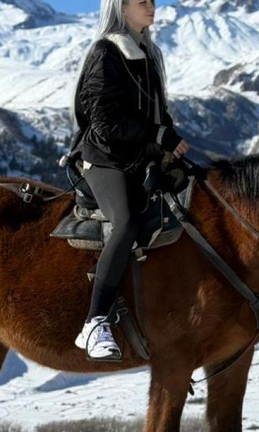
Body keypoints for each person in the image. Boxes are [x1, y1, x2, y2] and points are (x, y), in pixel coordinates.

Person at [72, 0, 190, 361]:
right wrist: (160, 136)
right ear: (119, 8)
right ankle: (94, 323)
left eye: (153, 0)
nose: (152, 6)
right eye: (142, 2)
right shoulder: (106, 52)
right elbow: (104, 122)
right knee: (125, 223)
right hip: (105, 160)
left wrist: (168, 140)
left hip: (142, 159)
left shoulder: (147, 52)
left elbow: (157, 112)